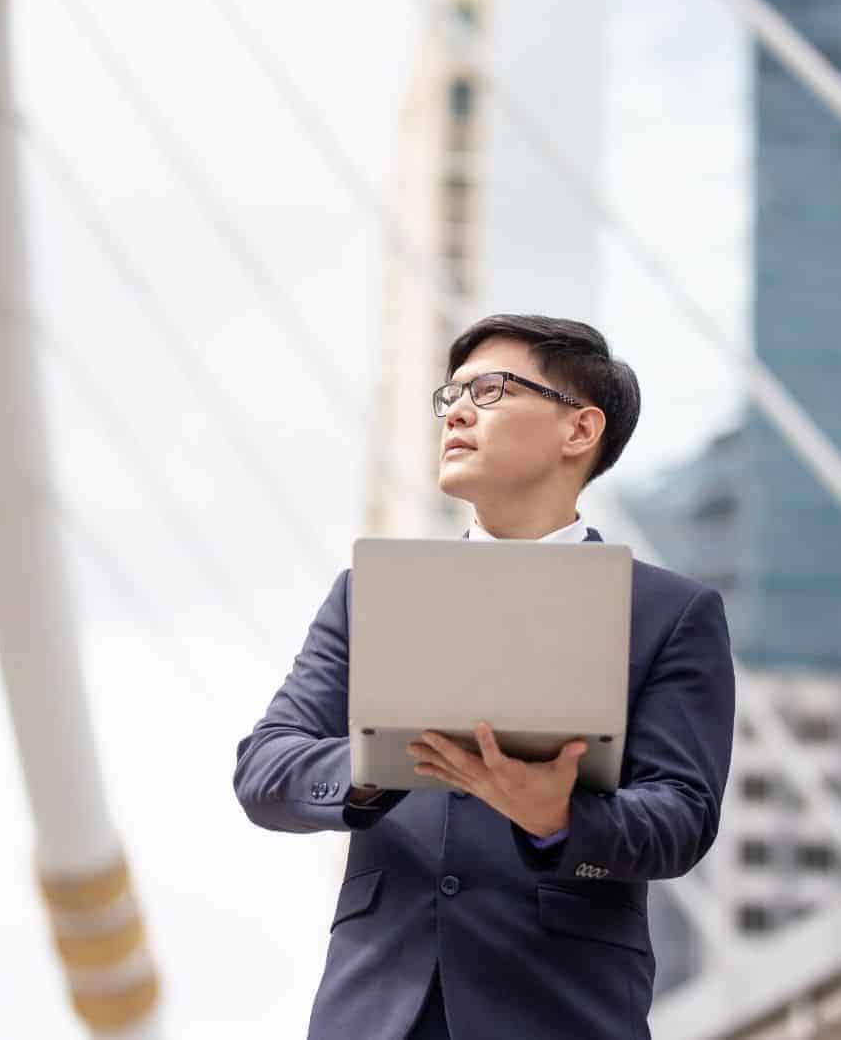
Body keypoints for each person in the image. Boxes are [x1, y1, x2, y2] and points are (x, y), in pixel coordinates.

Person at [233, 314, 735, 1039]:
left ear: (579, 429)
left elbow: (682, 817)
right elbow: (264, 769)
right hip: (375, 1013)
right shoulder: (370, 592)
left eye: (491, 389)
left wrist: (558, 814)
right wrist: (378, 766)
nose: (459, 410)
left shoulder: (670, 612)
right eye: (452, 395)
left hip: (560, 1011)